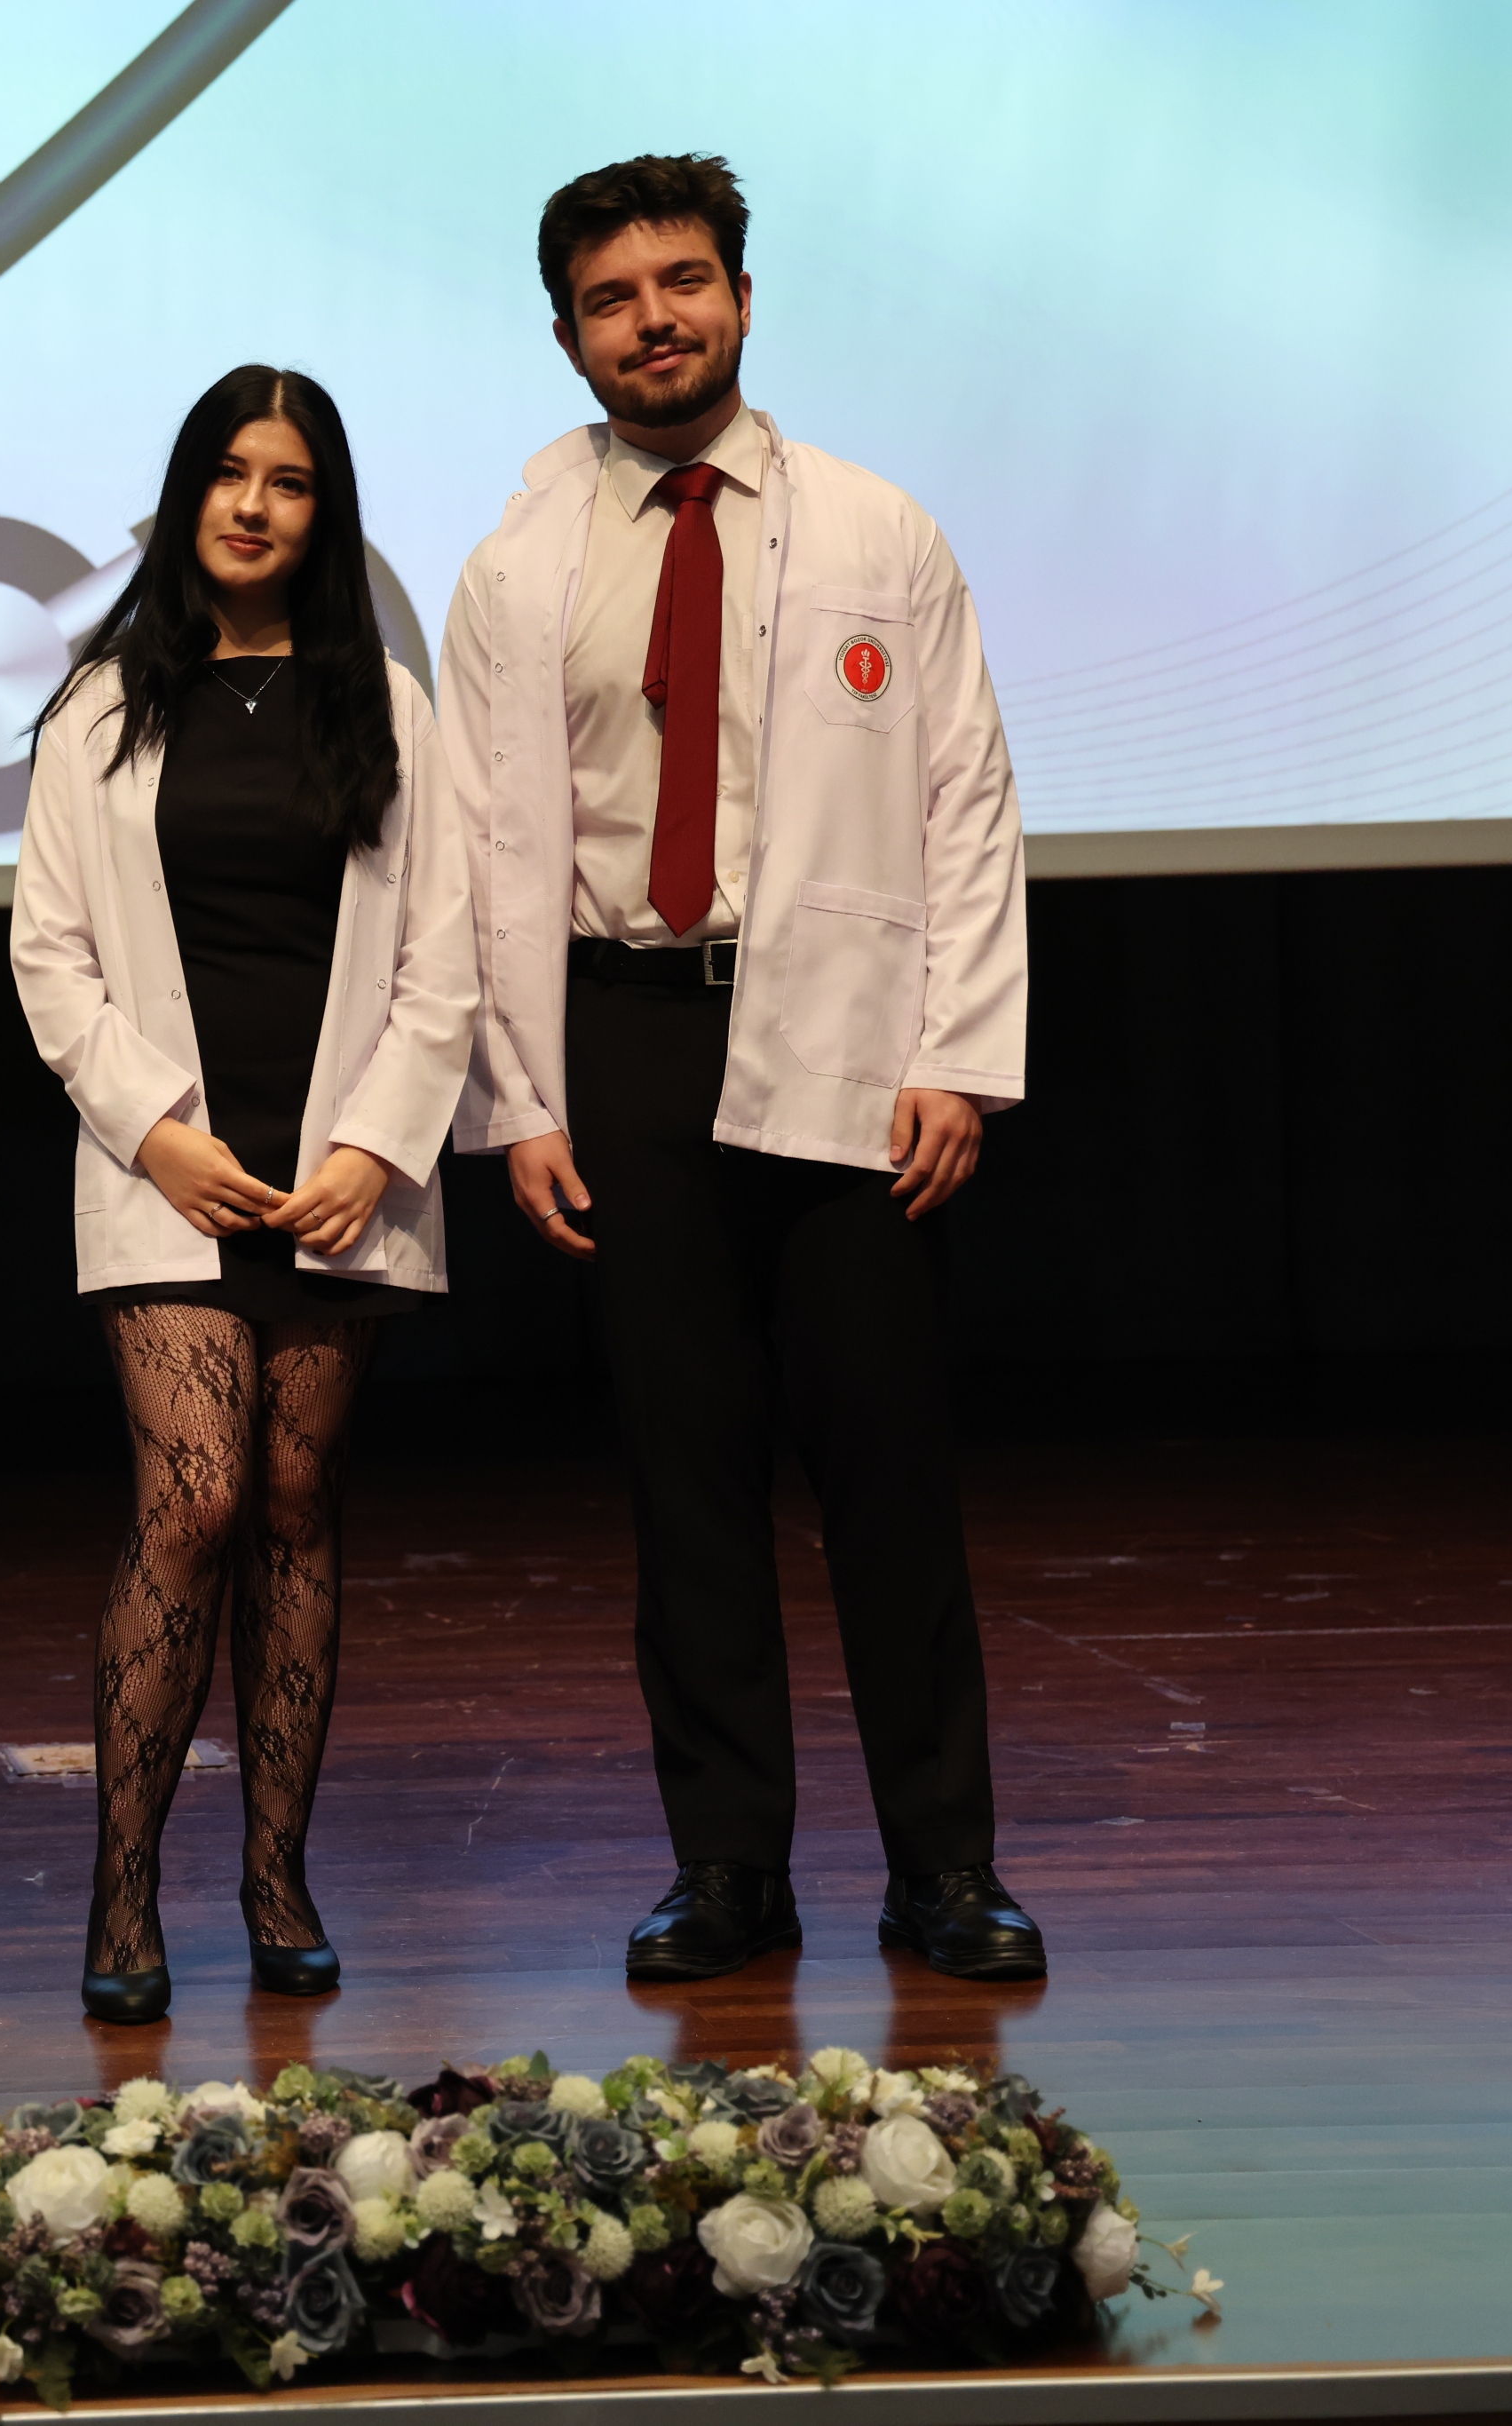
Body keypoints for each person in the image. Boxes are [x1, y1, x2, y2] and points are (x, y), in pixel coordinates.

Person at [442, 154, 1041, 1982]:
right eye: (613, 300)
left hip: (847, 1031)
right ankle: (725, 1869)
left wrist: (957, 1052)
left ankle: (944, 1867)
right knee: (684, 1477)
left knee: (886, 1467)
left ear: (744, 299)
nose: (656, 321)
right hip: (625, 1027)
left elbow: (964, 797)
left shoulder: (875, 528)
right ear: (567, 338)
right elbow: (482, 847)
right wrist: (521, 1099)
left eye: (684, 282)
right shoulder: (517, 565)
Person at [10, 366, 476, 2025]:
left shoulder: (391, 705)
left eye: (287, 479)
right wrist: (153, 1132)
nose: (253, 504)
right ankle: (123, 1885)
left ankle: (276, 1876)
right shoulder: (100, 706)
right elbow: (50, 955)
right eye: (227, 472)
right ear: (186, 494)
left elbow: (443, 958)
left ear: (322, 510)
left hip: (337, 1169)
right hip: (176, 1169)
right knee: (195, 1497)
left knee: (291, 1501)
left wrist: (375, 1148)